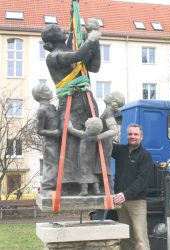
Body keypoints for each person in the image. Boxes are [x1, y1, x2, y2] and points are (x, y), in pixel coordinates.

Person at [41, 19, 101, 194]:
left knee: (92, 141)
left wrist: (95, 43)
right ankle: (69, 184)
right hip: (69, 103)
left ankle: (94, 182)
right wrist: (90, 39)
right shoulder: (53, 57)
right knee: (71, 143)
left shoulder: (72, 50)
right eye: (58, 29)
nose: (63, 30)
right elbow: (78, 57)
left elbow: (94, 67)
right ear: (54, 37)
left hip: (87, 100)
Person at [112, 124, 153, 250]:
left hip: (136, 202)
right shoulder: (120, 151)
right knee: (125, 237)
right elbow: (104, 143)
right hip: (121, 201)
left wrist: (125, 194)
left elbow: (142, 181)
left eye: (136, 134)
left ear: (141, 137)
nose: (132, 137)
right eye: (130, 134)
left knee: (140, 238)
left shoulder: (145, 155)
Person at [32, 83, 60, 195]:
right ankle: (47, 188)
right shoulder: (41, 110)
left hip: (57, 141)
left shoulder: (52, 107)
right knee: (51, 165)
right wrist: (53, 132)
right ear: (42, 95)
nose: (51, 91)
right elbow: (39, 130)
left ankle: (55, 186)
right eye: (48, 90)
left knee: (57, 164)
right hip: (49, 143)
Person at [94, 91, 125, 193]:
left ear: (114, 100)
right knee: (101, 166)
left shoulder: (108, 111)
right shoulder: (108, 110)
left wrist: (99, 137)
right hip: (105, 143)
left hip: (104, 144)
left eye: (109, 94)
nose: (106, 94)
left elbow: (114, 130)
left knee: (103, 167)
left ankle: (109, 191)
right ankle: (105, 190)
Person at [67, 117, 103, 196]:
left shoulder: (83, 134)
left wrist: (68, 120)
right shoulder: (95, 137)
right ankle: (97, 190)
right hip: (92, 159)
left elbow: (70, 129)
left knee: (83, 173)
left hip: (83, 159)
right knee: (92, 173)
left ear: (88, 126)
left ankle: (84, 190)